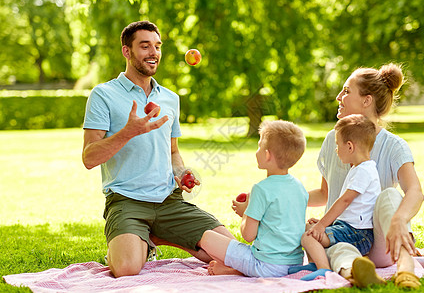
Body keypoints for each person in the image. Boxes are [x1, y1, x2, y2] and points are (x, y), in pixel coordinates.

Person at [82, 21, 234, 277]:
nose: (153, 52)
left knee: (233, 253)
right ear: (126, 51)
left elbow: (173, 151)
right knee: (127, 269)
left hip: (169, 201)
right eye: (145, 46)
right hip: (127, 200)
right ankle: (136, 239)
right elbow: (89, 158)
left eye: (157, 46)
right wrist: (127, 133)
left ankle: (157, 235)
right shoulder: (103, 94)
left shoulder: (170, 98)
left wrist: (183, 171)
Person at [307, 63, 424, 289]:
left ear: (366, 100)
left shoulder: (393, 145)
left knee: (389, 195)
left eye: (346, 91)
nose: (339, 97)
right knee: (338, 248)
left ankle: (406, 270)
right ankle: (357, 272)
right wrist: (279, 196)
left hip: (381, 244)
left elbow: (415, 192)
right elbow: (325, 194)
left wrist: (399, 219)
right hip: (342, 237)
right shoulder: (333, 140)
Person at [198, 120, 309, 277]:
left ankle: (235, 271)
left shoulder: (261, 189)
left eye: (259, 146)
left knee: (207, 237)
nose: (257, 151)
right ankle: (237, 270)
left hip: (266, 265)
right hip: (294, 263)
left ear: (267, 155)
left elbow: (248, 235)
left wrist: (246, 212)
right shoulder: (300, 187)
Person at [295, 114, 381, 281]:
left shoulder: (364, 171)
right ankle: (316, 263)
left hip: (357, 234)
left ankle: (324, 269)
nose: (335, 149)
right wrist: (322, 223)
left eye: (337, 144)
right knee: (308, 228)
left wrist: (322, 225)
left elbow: (344, 201)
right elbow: (351, 210)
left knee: (308, 236)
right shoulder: (359, 168)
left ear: (349, 147)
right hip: (347, 229)